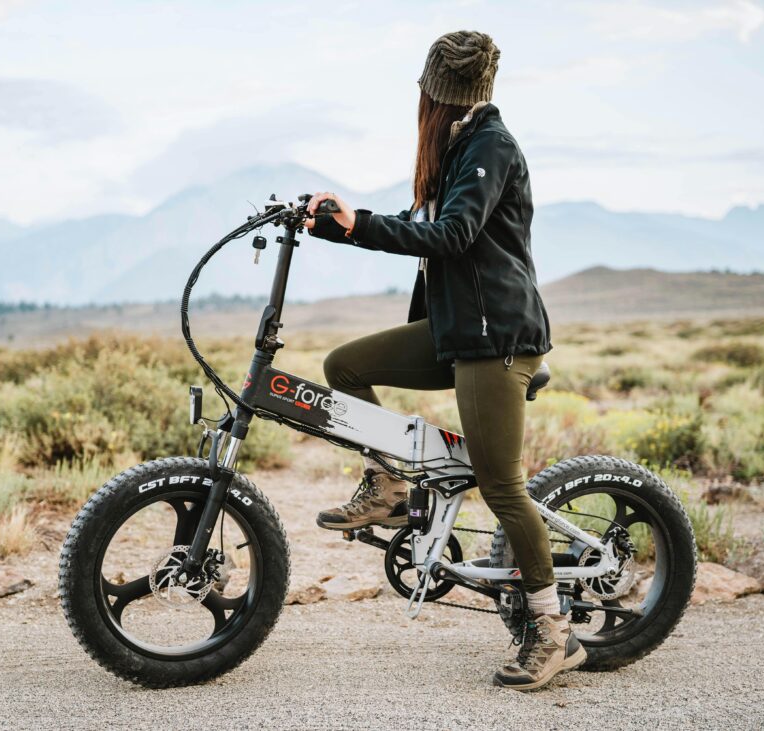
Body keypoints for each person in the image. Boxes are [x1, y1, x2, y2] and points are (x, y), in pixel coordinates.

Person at [303, 30, 585, 692]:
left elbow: (452, 235)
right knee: (343, 366)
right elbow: (422, 224)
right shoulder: (456, 146)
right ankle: (391, 486)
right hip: (456, 331)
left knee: (501, 483)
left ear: (439, 93)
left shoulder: (489, 146)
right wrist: (333, 223)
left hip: (497, 338)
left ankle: (551, 631)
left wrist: (360, 225)